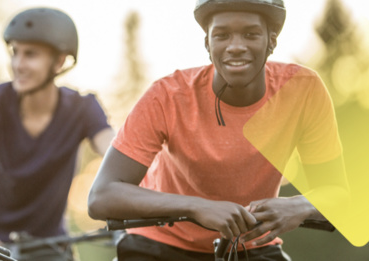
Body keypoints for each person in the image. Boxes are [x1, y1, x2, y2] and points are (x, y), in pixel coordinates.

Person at [88, 0, 349, 260]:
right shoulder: (167, 96)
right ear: (207, 44)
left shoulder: (303, 90)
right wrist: (197, 207)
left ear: (271, 42)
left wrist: (298, 206)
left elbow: (336, 191)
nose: (235, 47)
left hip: (250, 247)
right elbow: (102, 195)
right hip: (158, 245)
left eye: (250, 34)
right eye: (222, 35)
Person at [0, 7, 115, 261]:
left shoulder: (83, 107)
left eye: (30, 55)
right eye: (15, 53)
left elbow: (119, 154)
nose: (18, 64)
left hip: (50, 244)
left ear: (59, 62)